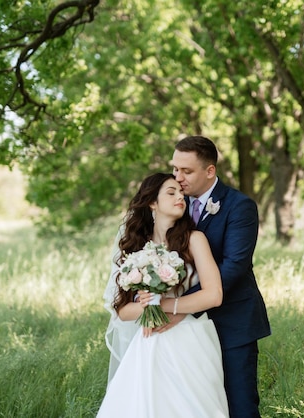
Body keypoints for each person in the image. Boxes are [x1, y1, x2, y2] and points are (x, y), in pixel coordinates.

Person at [97, 173, 229, 418]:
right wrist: (148, 307)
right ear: (152, 203)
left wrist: (164, 303)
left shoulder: (195, 239)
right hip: (148, 343)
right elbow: (123, 311)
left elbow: (214, 295)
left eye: (181, 193)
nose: (180, 197)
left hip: (191, 338)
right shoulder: (135, 248)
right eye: (171, 192)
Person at [168, 135, 271, 418]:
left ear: (210, 171)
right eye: (175, 169)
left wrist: (181, 306)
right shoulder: (173, 204)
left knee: (239, 405)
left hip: (232, 322)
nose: (178, 177)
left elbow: (234, 266)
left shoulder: (240, 206)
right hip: (185, 330)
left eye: (186, 171)